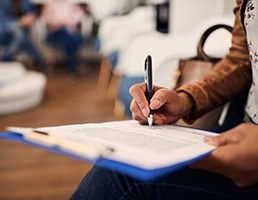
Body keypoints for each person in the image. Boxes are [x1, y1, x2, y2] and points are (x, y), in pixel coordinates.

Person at [71, 0, 258, 199]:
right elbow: (242, 59)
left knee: (122, 175)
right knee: (127, 159)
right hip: (240, 129)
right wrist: (186, 99)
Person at [41, 0, 86, 76]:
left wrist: (69, 21)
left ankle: (72, 67)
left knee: (68, 38)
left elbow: (81, 15)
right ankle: (73, 67)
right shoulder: (50, 5)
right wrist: (61, 22)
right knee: (67, 36)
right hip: (56, 33)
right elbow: (46, 19)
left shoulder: (71, 4)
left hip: (70, 32)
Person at [0, 0, 46, 72]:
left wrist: (31, 17)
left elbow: (34, 11)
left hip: (21, 32)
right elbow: (2, 20)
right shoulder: (2, 2)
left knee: (19, 34)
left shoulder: (25, 1)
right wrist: (19, 22)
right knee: (17, 32)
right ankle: (38, 59)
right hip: (4, 32)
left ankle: (4, 60)